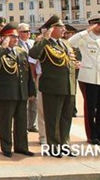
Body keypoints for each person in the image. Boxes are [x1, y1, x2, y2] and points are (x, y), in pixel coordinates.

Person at [28, 15, 76, 158]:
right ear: (52, 29)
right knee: (53, 119)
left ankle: (65, 145)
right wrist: (45, 38)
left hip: (68, 86)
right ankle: (53, 147)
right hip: (52, 87)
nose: (64, 29)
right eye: (60, 27)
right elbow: (33, 55)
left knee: (66, 118)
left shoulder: (65, 44)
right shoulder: (45, 44)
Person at [67, 13, 100, 145]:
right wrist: (86, 31)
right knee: (90, 109)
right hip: (89, 78)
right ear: (92, 25)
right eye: (98, 24)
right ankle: (92, 135)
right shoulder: (84, 38)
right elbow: (70, 42)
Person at [0, 23, 35, 157]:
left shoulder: (21, 52)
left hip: (21, 92)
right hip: (7, 93)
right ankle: (6, 147)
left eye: (16, 37)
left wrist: (31, 90)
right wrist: (3, 48)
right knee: (5, 121)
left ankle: (21, 146)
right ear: (5, 38)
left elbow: (27, 73)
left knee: (21, 121)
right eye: (12, 37)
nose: (15, 39)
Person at [16, 23, 39, 134]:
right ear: (19, 33)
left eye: (29, 31)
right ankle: (23, 125)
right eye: (25, 31)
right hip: (23, 75)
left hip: (33, 74)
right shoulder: (16, 44)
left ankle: (32, 124)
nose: (28, 33)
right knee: (24, 102)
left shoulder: (32, 43)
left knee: (34, 100)